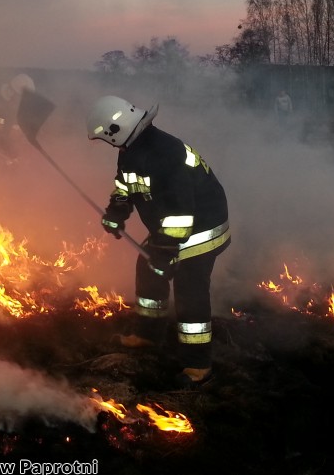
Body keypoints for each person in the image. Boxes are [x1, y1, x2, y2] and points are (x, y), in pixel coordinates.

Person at [86, 95, 231, 388]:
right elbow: (124, 186)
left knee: (189, 288)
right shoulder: (131, 151)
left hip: (202, 227)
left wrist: (166, 252)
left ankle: (198, 366)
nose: (110, 144)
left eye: (106, 138)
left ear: (117, 128)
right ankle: (148, 335)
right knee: (148, 267)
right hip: (171, 227)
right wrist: (117, 212)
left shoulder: (166, 154)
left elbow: (180, 212)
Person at [0, 73, 36, 164]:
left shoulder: (29, 113)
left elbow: (29, 141)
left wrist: (20, 158)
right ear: (11, 92)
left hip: (14, 160)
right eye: (20, 96)